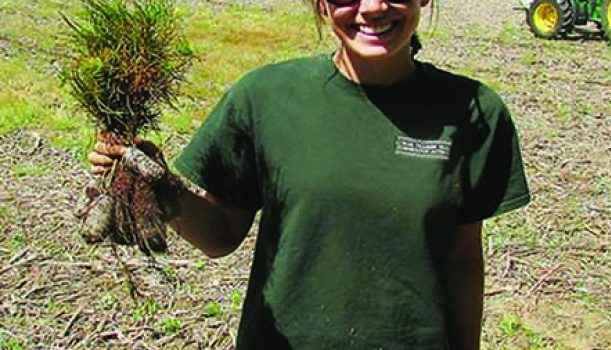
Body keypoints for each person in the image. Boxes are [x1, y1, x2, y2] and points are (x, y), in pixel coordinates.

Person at [88, 0, 531, 348]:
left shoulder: (473, 112)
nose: (373, 7)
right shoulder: (266, 97)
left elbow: (462, 262)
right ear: (320, 3)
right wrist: (161, 188)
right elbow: (220, 235)